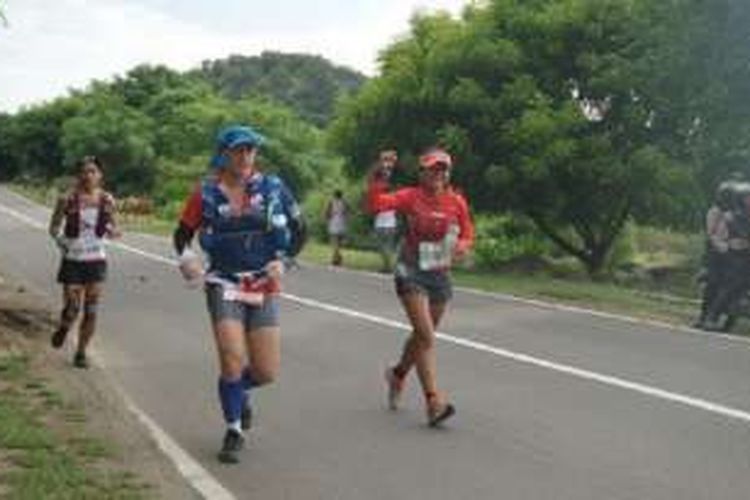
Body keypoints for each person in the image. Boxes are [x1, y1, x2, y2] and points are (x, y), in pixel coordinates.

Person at [173, 124, 306, 464]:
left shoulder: (273, 187)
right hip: (224, 283)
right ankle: (233, 429)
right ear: (224, 154)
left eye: (251, 149)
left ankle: (238, 392)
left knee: (265, 372)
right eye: (238, 149)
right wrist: (187, 259)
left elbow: (300, 230)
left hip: (262, 282)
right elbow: (182, 235)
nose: (246, 155)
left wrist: (284, 262)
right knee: (232, 357)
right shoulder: (205, 193)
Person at [367, 147, 474, 426]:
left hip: (439, 273)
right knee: (426, 336)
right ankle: (433, 402)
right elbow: (377, 203)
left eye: (443, 169)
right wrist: (381, 173)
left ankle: (398, 374)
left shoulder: (456, 202)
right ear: (422, 172)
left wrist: (462, 246)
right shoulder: (409, 196)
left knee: (421, 336)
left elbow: (467, 232)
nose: (438, 173)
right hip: (410, 270)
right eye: (433, 168)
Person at [48, 156, 120, 368]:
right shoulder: (67, 199)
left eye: (93, 171)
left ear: (100, 175)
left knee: (91, 310)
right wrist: (63, 243)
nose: (88, 176)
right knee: (72, 308)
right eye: (84, 171)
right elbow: (53, 228)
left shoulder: (108, 200)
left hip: (96, 261)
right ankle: (64, 326)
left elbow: (114, 226)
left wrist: (114, 231)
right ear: (78, 175)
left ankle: (81, 352)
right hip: (73, 261)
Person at [702, 182, 750, 331]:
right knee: (731, 286)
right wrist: (729, 245)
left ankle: (728, 322)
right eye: (748, 198)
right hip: (735, 259)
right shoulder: (730, 217)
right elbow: (717, 238)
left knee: (740, 289)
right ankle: (711, 317)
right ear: (741, 199)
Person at [694, 181, 732, 328]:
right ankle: (704, 317)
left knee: (723, 288)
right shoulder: (715, 211)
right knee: (712, 285)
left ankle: (713, 318)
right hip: (716, 254)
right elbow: (711, 235)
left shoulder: (736, 213)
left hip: (731, 256)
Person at [372, 150, 400, 273]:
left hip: (382, 225)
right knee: (388, 247)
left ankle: (388, 266)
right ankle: (389, 266)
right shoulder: (393, 197)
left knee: (382, 246)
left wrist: (385, 161)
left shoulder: (381, 196)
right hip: (391, 224)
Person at [324, 189, 349, 266]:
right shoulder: (344, 202)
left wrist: (327, 219)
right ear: (341, 195)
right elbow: (348, 212)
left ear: (334, 195)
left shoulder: (331, 202)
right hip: (342, 223)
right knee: (339, 242)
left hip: (334, 222)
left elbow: (326, 213)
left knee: (334, 242)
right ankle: (338, 258)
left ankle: (336, 259)